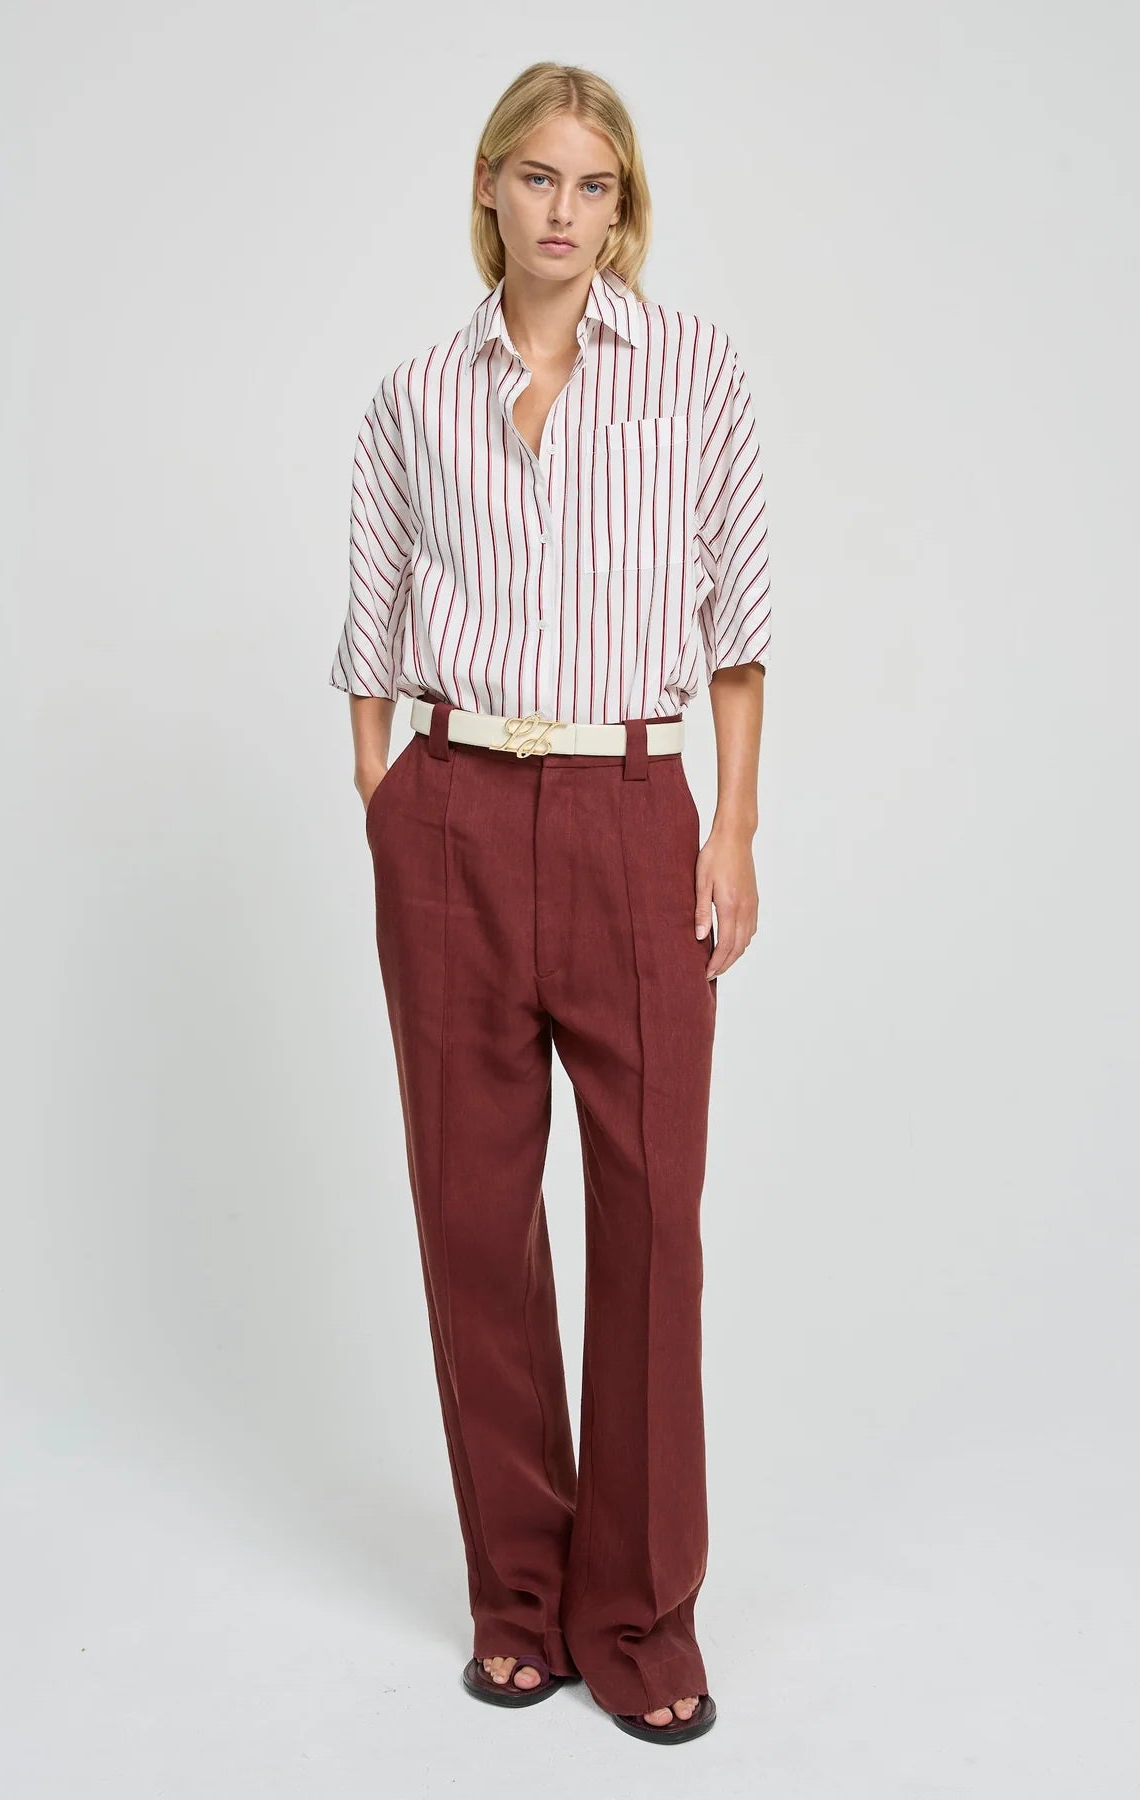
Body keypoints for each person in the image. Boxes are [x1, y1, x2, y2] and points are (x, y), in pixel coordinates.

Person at [329, 61, 768, 1746]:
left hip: (629, 814)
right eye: (537, 177)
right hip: (450, 811)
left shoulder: (697, 373)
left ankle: (638, 1614)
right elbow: (370, 626)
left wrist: (733, 830)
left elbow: (740, 628)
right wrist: (389, 806)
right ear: (490, 189)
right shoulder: (411, 397)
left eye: (594, 184)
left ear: (623, 204)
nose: (564, 211)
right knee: (470, 1213)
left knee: (652, 1217)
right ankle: (518, 1593)